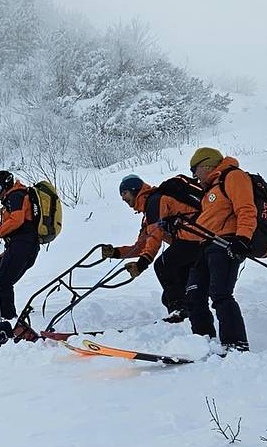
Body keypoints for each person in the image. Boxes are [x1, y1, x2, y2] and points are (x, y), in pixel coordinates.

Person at [100, 173, 204, 322]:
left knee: (163, 265)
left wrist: (141, 264)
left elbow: (155, 238)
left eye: (124, 193)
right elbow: (142, 245)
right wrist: (115, 252)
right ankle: (186, 318)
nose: (123, 198)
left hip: (198, 238)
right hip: (189, 244)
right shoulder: (149, 213)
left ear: (135, 189)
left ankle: (179, 313)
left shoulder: (155, 201)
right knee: (169, 297)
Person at [182, 147, 256, 353]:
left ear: (207, 165)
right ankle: (203, 342)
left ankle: (235, 345)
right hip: (205, 246)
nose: (194, 175)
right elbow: (206, 223)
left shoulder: (233, 176)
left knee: (220, 294)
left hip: (226, 244)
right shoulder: (210, 190)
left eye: (194, 170)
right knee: (193, 295)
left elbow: (246, 208)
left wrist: (243, 239)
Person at [0, 170, 39, 320]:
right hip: (23, 246)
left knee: (0, 284)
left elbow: (17, 220)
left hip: (23, 246)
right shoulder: (14, 197)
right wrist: (3, 256)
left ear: (6, 184)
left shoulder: (16, 195)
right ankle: (5, 320)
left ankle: (7, 322)